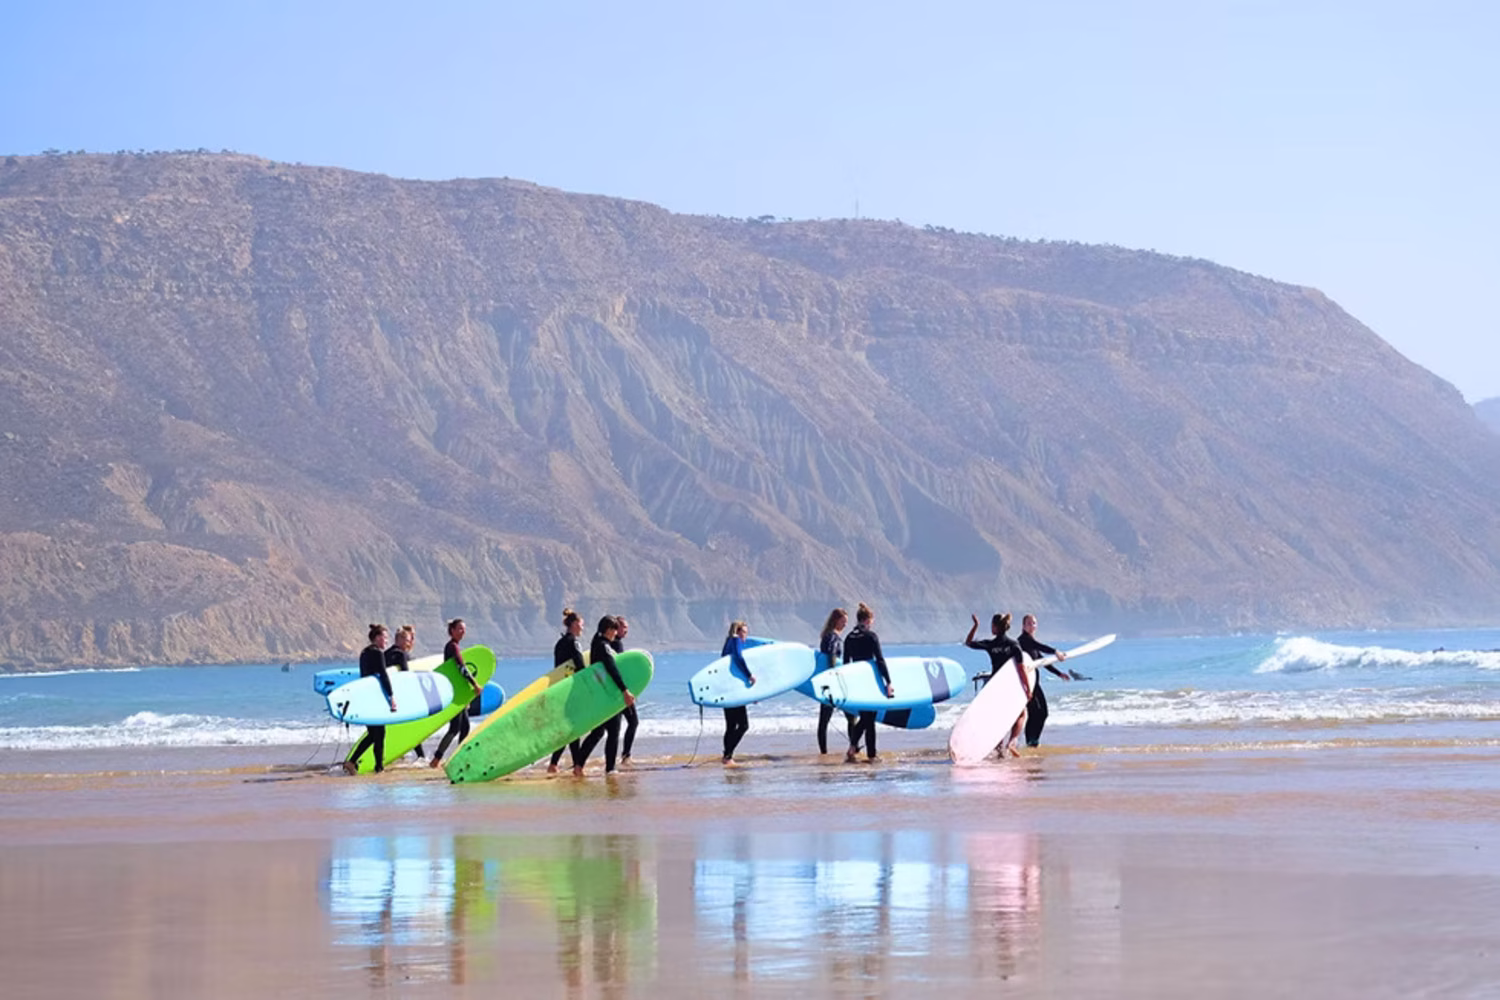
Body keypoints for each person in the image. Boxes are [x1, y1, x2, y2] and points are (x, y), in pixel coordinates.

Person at [572, 616, 637, 776]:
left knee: (599, 731)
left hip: (601, 694)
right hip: (608, 695)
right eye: (615, 629)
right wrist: (624, 690)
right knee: (613, 731)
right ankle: (610, 769)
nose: (616, 633)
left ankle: (578, 765)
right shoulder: (603, 646)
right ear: (608, 630)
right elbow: (611, 668)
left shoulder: (597, 643)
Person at [964, 612, 1030, 757]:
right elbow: (1021, 668)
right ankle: (1012, 742)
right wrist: (1027, 688)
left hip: (995, 686)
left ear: (994, 627)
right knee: (1021, 713)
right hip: (1010, 685)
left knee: (999, 717)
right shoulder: (1013, 645)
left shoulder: (991, 644)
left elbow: (968, 643)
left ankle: (999, 748)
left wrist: (975, 626)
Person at [842, 603, 894, 763]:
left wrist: (847, 685)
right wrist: (888, 682)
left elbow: (845, 664)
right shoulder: (871, 636)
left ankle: (857, 749)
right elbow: (879, 660)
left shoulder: (849, 638)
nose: (872, 624)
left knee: (867, 717)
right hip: (869, 680)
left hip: (856, 681)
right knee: (868, 718)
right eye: (871, 621)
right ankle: (869, 754)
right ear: (867, 620)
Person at [429, 618, 482, 768]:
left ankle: (456, 758)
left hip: (457, 693)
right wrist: (475, 684)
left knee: (464, 727)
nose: (463, 631)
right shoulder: (452, 647)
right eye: (460, 628)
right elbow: (462, 668)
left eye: (464, 629)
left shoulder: (452, 646)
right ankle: (438, 759)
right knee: (456, 728)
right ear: (452, 631)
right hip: (454, 693)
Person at [345, 624, 396, 774]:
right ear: (377, 638)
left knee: (374, 734)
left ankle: (353, 762)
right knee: (379, 734)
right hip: (374, 698)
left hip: (364, 697)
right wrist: (391, 696)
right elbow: (383, 675)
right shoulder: (377, 653)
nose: (386, 641)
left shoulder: (364, 653)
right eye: (384, 638)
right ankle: (379, 768)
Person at [1018, 613, 1069, 747]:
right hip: (1026, 683)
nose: (1031, 626)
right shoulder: (1024, 640)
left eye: (1033, 623)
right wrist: (1056, 651)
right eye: (1029, 623)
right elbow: (1040, 646)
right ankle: (1031, 741)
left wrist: (1059, 674)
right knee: (1035, 713)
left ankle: (1034, 740)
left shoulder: (1031, 643)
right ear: (1023, 626)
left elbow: (1043, 661)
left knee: (1042, 713)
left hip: (1034, 683)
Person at [547, 609, 588, 774]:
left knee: (571, 728)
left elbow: (558, 667)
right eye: (581, 624)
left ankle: (571, 765)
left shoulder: (560, 642)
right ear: (574, 624)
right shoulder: (574, 643)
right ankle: (560, 765)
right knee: (572, 728)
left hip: (560, 688)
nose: (582, 628)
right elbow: (581, 667)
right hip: (572, 689)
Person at [815, 607, 857, 754]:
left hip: (827, 681)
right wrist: (834, 675)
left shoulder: (827, 635)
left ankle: (825, 752)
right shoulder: (833, 637)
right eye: (843, 621)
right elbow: (832, 656)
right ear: (836, 620)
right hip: (833, 683)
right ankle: (852, 748)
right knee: (850, 717)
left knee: (825, 720)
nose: (845, 624)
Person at [385, 624, 427, 760]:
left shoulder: (385, 654)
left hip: (388, 696)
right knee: (412, 727)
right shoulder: (402, 655)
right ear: (401, 640)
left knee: (394, 727)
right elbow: (406, 676)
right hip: (401, 696)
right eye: (408, 640)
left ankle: (396, 755)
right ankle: (421, 757)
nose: (409, 643)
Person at [720, 620, 756, 765]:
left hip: (726, 689)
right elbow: (739, 659)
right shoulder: (735, 641)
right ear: (738, 632)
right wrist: (749, 675)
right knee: (743, 725)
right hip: (734, 692)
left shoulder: (727, 642)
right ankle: (727, 756)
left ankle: (727, 756)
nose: (746, 636)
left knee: (730, 726)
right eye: (745, 632)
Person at [614, 616, 640, 766]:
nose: (626, 631)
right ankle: (625, 756)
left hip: (616, 691)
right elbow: (619, 669)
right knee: (633, 721)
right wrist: (627, 690)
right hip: (621, 692)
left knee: (611, 728)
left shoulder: (613, 643)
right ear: (617, 627)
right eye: (624, 628)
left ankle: (622, 756)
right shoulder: (616, 644)